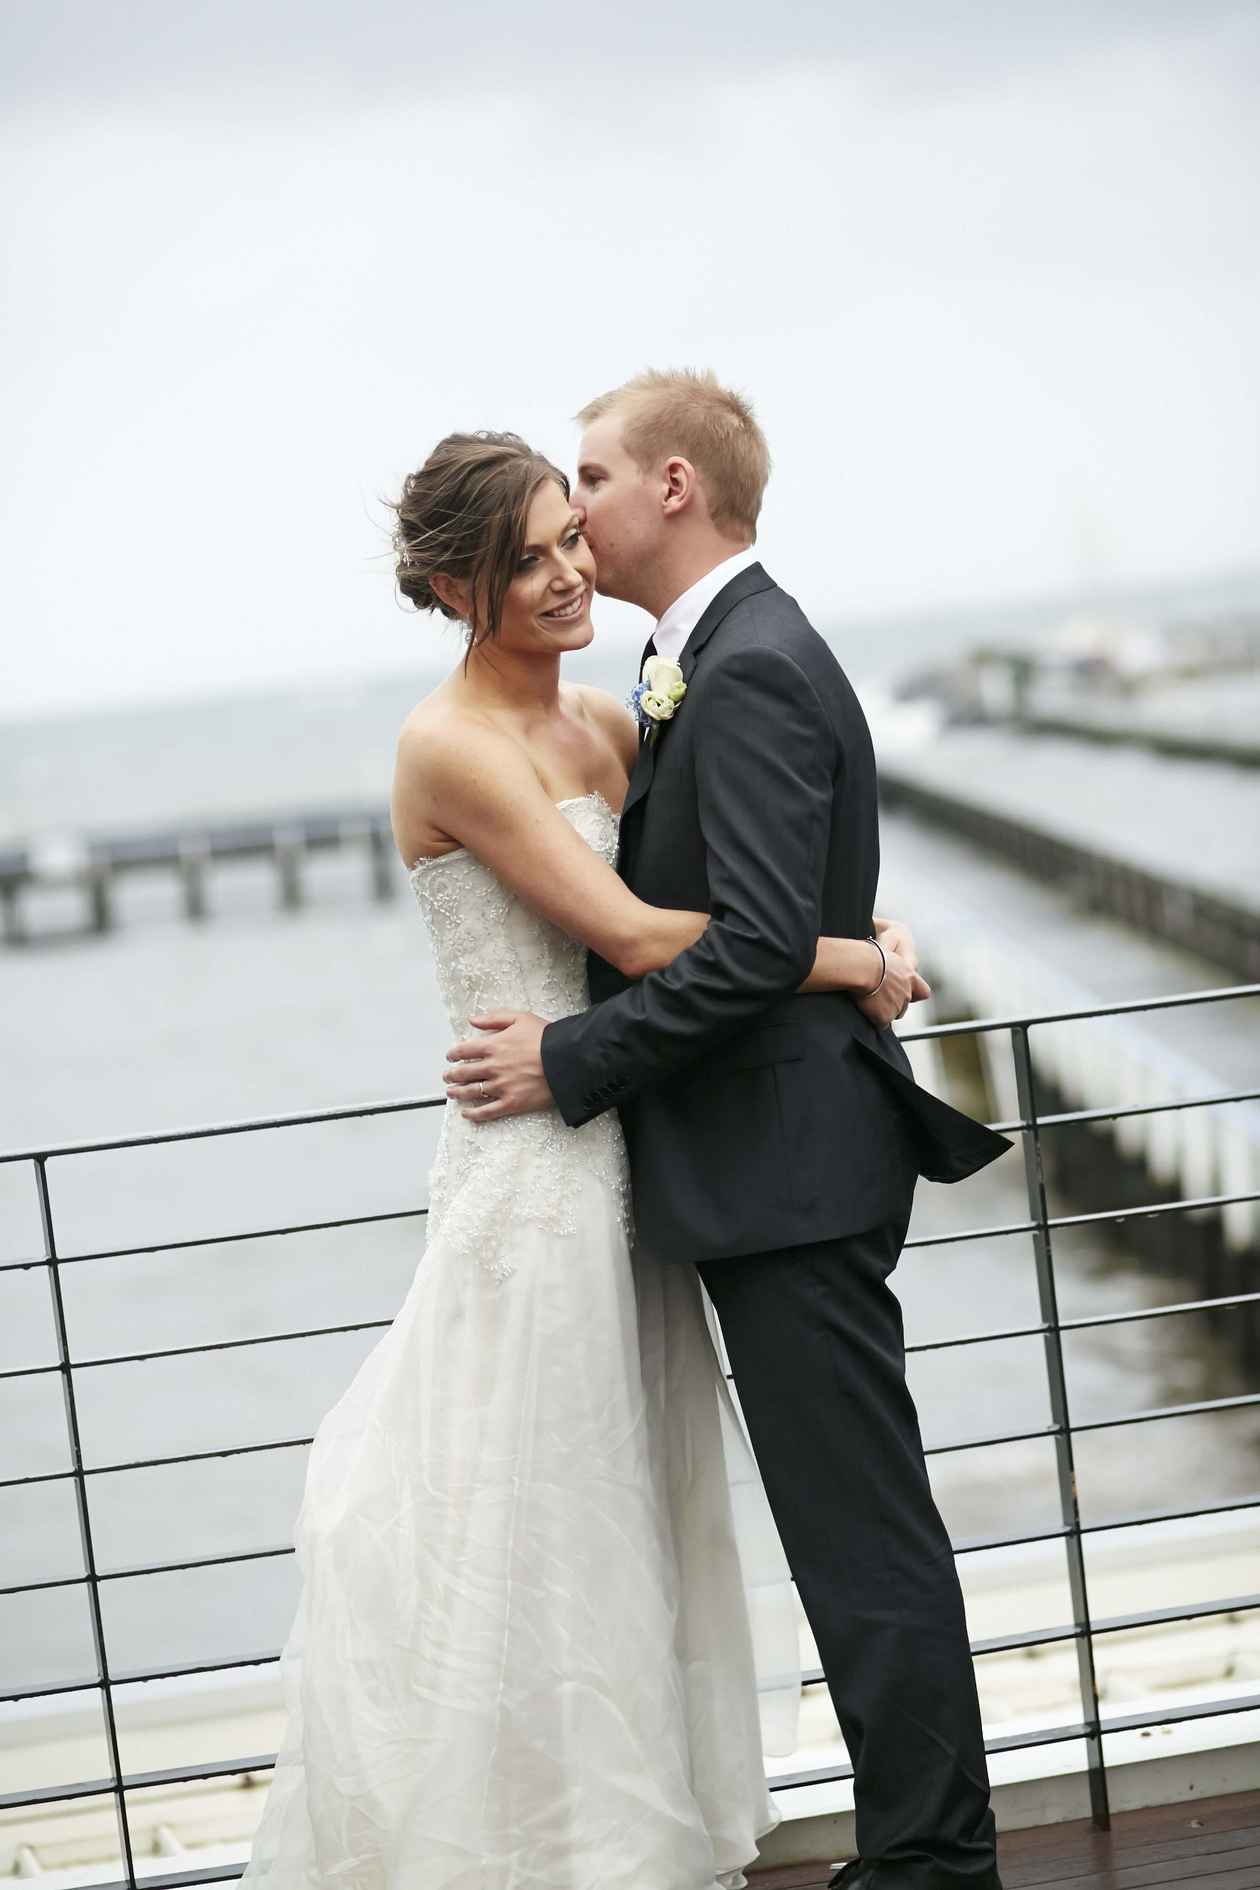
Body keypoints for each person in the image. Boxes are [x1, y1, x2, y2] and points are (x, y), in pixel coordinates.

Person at [241, 429, 931, 1890]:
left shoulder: (619, 726)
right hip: (531, 1167)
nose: (566, 575)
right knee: (522, 1516)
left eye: (570, 538)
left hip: (637, 1158)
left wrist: (850, 936)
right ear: (450, 586)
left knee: (632, 1512)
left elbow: (727, 903)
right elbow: (630, 939)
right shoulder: (450, 746)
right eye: (526, 562)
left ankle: (632, 1830)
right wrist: (847, 956)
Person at [443, 372, 1012, 1890]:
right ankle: (923, 1843)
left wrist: (573, 1061)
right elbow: (773, 926)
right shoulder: (699, 661)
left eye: (594, 479)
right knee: (853, 1525)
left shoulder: (746, 665)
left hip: (789, 1166)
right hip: (773, 1160)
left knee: (861, 1531)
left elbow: (755, 943)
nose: (579, 514)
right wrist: (850, 948)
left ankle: (935, 1861)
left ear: (675, 487)